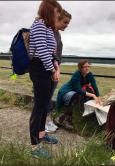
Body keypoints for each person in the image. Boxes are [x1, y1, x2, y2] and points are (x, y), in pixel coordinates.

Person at [28, 0, 62, 158]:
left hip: (47, 68)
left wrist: (55, 67)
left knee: (45, 105)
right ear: (49, 10)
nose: (58, 14)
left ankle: (42, 135)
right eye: (56, 11)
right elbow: (41, 51)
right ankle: (34, 146)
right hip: (39, 68)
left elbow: (52, 52)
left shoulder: (48, 27)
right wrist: (52, 69)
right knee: (39, 107)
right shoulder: (39, 25)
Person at [45, 9, 72, 133]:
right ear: (57, 19)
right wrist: (53, 70)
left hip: (55, 69)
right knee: (44, 97)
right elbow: (46, 53)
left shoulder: (57, 33)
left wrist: (58, 69)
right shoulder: (48, 31)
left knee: (49, 96)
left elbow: (56, 54)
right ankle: (44, 123)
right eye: (65, 22)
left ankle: (47, 120)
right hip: (48, 70)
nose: (67, 25)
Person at [55, 59, 101, 130]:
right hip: (67, 91)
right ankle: (64, 118)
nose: (87, 68)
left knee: (85, 95)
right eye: (85, 67)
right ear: (80, 68)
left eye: (88, 66)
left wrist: (98, 97)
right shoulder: (77, 74)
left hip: (75, 92)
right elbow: (78, 90)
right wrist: (93, 95)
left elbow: (94, 85)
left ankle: (74, 117)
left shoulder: (89, 74)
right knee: (78, 96)